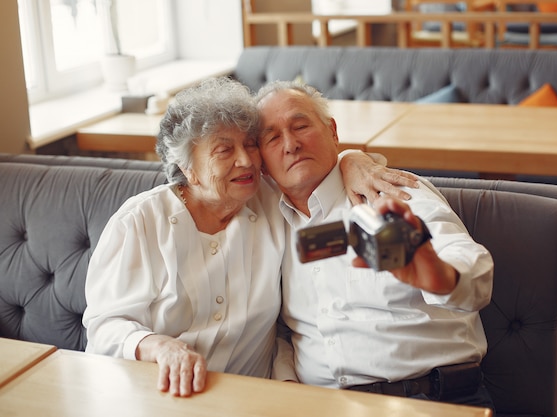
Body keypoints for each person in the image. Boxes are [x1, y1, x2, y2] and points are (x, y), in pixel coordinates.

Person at [82, 77, 418, 398]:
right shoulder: (140, 222)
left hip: (249, 401)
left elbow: (319, 180)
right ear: (188, 169)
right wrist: (158, 346)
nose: (245, 161)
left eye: (250, 145)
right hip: (160, 395)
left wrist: (350, 159)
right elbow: (104, 326)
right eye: (224, 151)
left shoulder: (274, 202)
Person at [255, 80, 496, 411]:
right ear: (262, 163)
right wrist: (288, 383)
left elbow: (472, 265)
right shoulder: (269, 223)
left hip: (428, 398)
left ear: (332, 131)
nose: (291, 144)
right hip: (321, 406)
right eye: (272, 137)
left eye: (301, 126)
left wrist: (437, 275)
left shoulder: (388, 193)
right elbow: (280, 330)